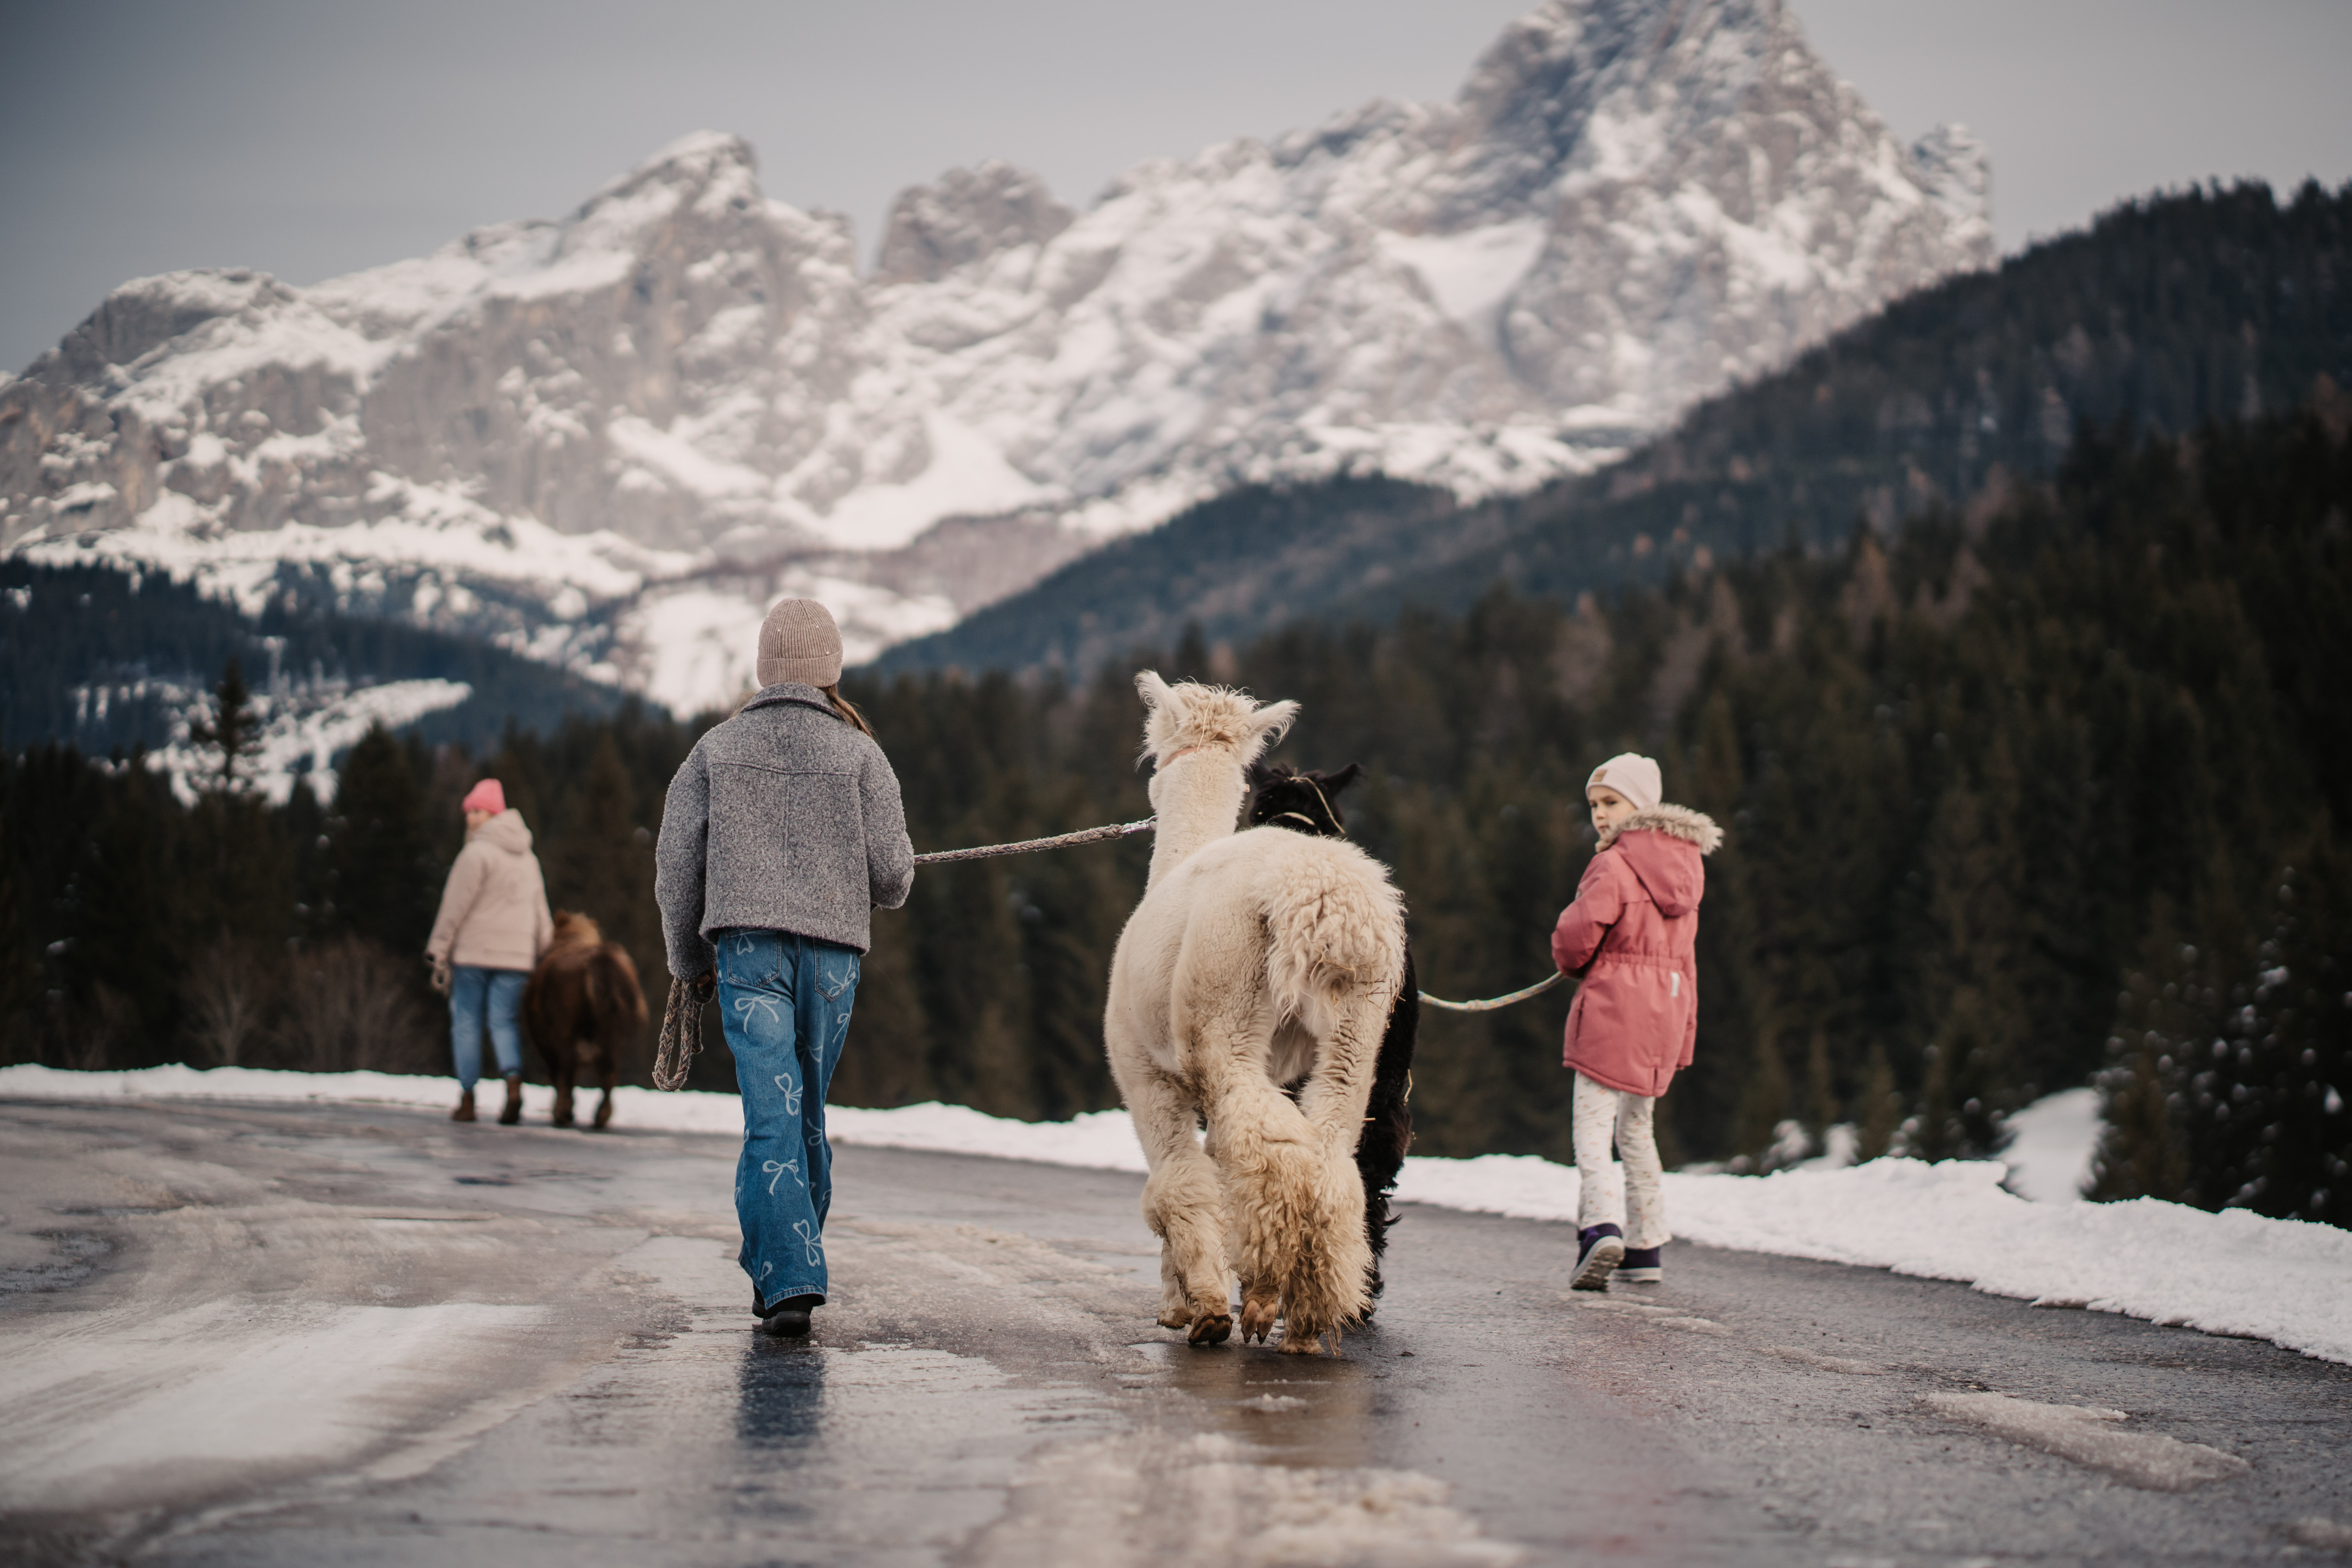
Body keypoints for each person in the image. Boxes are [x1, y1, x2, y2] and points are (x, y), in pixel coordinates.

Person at [655, 598, 914, 1340]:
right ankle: (790, 1262)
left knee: (772, 1110)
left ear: (765, 666)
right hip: (833, 956)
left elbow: (675, 865)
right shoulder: (861, 753)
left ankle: (786, 1271)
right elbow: (894, 877)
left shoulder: (715, 748)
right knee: (805, 1112)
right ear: (830, 669)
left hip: (749, 951)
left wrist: (688, 958)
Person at [1549, 753, 1722, 1290]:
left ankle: (1599, 1227)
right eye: (1594, 805)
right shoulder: (1687, 868)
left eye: (1610, 802)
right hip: (1662, 1016)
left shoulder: (1613, 863)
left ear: (1640, 804)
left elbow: (1578, 935)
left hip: (1611, 1011)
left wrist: (1570, 960)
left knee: (1592, 1134)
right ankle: (1646, 1244)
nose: (1600, 815)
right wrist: (1684, 1035)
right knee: (1637, 1130)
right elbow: (1687, 962)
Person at [426, 778, 554, 1125]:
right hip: (516, 958)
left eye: (477, 810)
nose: (471, 818)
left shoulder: (475, 853)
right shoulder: (528, 858)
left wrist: (438, 948)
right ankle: (513, 1084)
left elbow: (454, 907)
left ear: (494, 813)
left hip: (472, 954)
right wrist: (546, 950)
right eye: (469, 811)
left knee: (466, 1022)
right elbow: (540, 909)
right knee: (504, 1022)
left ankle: (468, 1099)